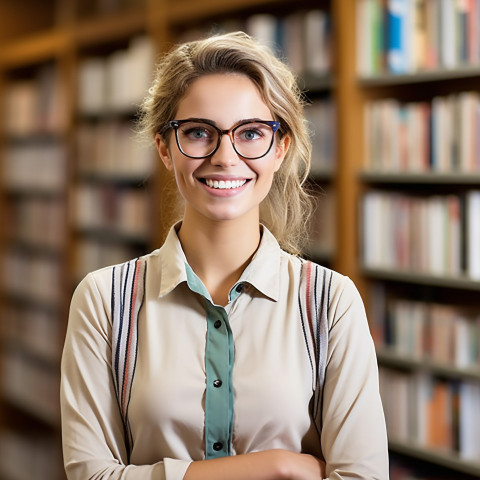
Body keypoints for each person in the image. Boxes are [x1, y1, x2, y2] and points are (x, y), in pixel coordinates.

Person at [60, 31, 389, 480]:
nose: (225, 156)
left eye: (251, 133)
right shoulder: (104, 301)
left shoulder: (330, 303)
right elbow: (89, 476)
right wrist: (276, 466)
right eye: (198, 133)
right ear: (164, 147)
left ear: (280, 148)